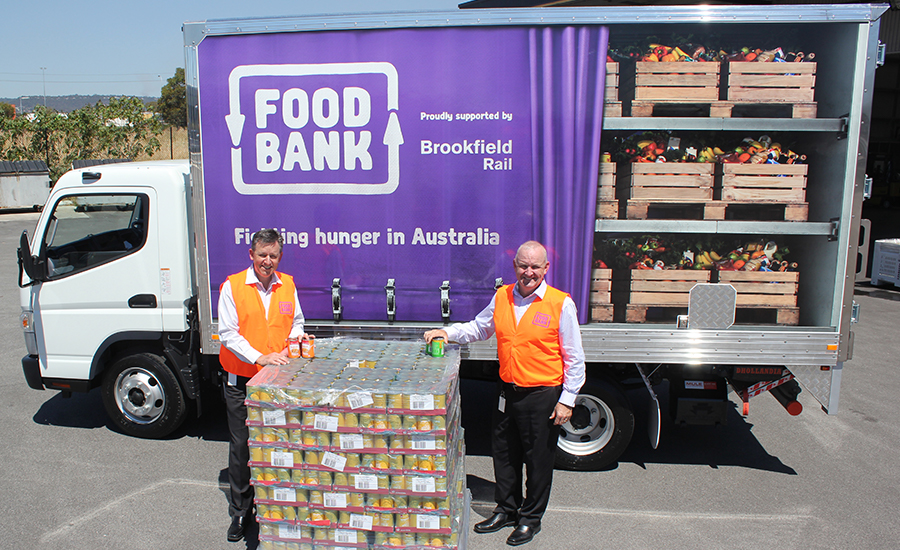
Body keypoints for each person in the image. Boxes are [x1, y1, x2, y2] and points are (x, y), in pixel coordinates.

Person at [425, 240, 585, 546]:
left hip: (542, 395)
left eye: (535, 267)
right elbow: (479, 328)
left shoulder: (560, 304)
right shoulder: (502, 297)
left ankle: (530, 519)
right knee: (505, 455)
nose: (528, 272)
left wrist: (568, 400)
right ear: (515, 266)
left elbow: (574, 357)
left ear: (545, 269)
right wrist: (448, 332)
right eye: (523, 266)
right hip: (508, 393)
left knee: (538, 461)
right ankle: (507, 509)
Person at [217, 228, 306, 542]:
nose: (267, 261)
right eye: (262, 255)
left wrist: (292, 343)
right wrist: (260, 357)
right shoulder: (233, 287)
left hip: (276, 382)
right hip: (241, 381)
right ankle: (241, 511)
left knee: (278, 444)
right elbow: (227, 334)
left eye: (273, 255)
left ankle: (276, 506)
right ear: (251, 255)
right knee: (242, 447)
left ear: (279, 257)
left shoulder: (288, 285)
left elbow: (296, 321)